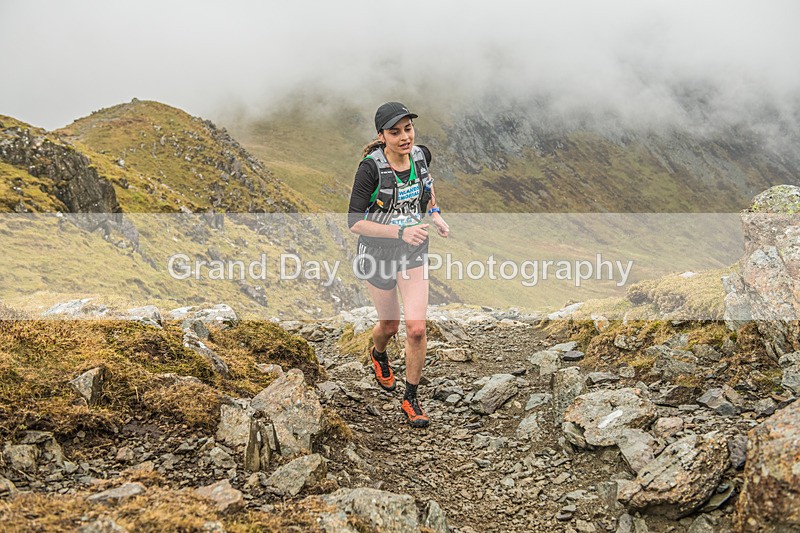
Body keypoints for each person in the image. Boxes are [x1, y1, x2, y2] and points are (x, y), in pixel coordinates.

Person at [347, 102, 450, 428]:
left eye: (408, 129)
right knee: (389, 326)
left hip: (413, 253)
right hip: (376, 253)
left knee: (416, 328)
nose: (405, 137)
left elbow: (427, 189)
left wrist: (434, 215)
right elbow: (354, 223)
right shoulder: (370, 170)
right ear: (382, 136)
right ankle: (379, 354)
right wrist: (400, 231)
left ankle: (411, 398)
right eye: (395, 132)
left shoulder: (422, 156)